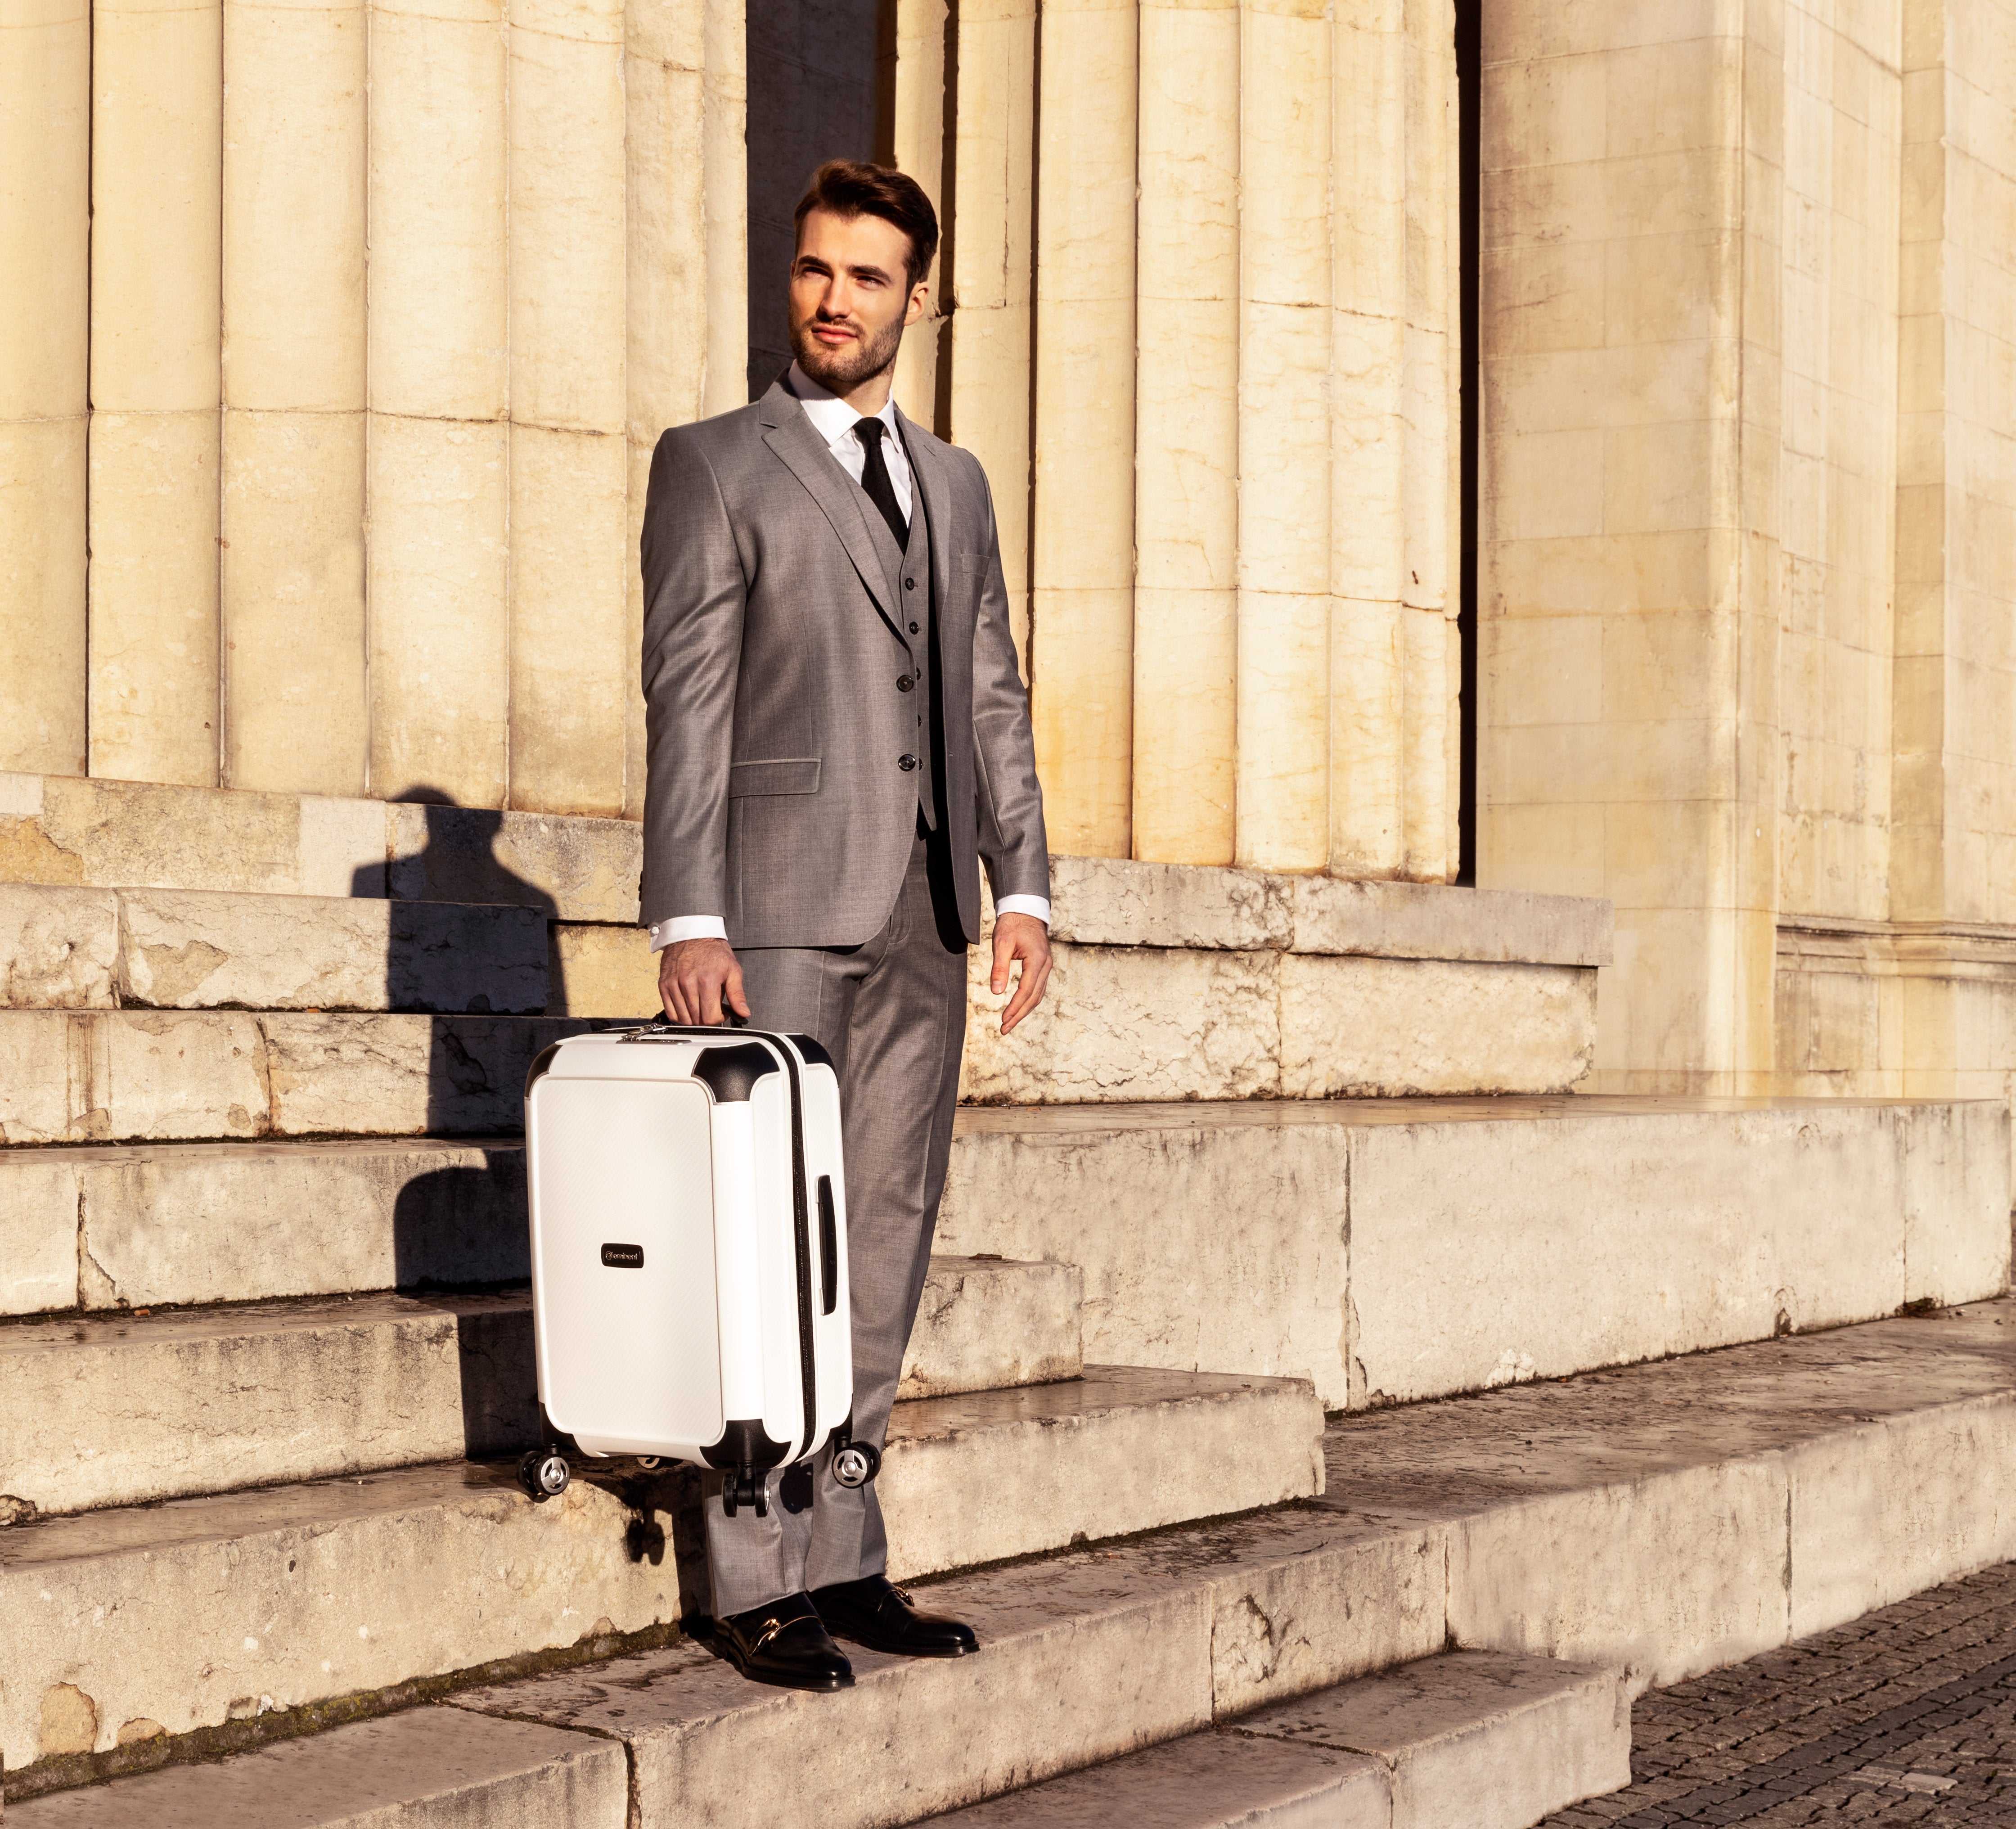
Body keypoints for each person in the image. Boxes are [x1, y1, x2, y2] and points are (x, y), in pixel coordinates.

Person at [639, 158, 1053, 1692]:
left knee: (884, 1230)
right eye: (815, 271)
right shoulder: (715, 463)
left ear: (916, 299)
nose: (833, 301)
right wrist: (690, 910)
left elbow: (990, 692)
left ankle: (848, 1550)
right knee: (767, 1243)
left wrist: (1022, 885)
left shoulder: (956, 485)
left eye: (867, 278)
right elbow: (685, 699)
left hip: (925, 914)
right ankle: (754, 1577)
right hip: (775, 910)